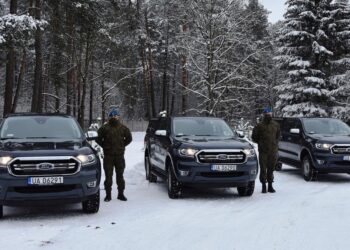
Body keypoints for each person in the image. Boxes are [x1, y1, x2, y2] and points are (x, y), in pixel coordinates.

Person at [96, 109, 132, 202]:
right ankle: (108, 195)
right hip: (108, 156)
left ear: (118, 117)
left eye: (115, 116)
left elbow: (129, 138)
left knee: (120, 176)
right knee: (108, 176)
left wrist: (122, 145)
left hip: (119, 156)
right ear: (109, 117)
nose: (114, 118)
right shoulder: (104, 128)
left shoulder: (123, 128)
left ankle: (121, 194)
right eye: (112, 116)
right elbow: (97, 138)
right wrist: (104, 145)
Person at [252, 107, 280, 193]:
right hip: (263, 151)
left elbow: (278, 136)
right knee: (263, 169)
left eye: (270, 114)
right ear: (264, 115)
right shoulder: (259, 125)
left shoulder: (276, 125)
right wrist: (261, 143)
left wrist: (275, 143)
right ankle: (264, 186)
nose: (269, 115)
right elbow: (254, 137)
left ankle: (270, 185)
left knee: (271, 168)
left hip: (273, 151)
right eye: (267, 114)